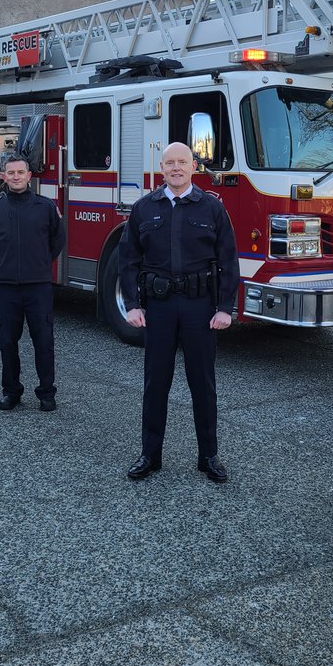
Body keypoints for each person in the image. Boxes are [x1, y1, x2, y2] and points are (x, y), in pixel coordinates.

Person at [118, 142, 239, 483]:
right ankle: (150, 456)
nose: (176, 168)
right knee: (156, 383)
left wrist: (225, 309)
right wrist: (132, 304)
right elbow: (128, 261)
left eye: (182, 162)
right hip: (158, 309)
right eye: (169, 163)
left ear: (193, 167)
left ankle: (208, 456)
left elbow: (229, 260)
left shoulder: (211, 209)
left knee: (202, 384)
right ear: (161, 167)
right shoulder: (144, 208)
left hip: (200, 309)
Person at [0, 154, 66, 412]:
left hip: (37, 286)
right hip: (5, 287)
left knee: (43, 341)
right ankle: (11, 391)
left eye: (21, 172)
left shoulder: (45, 207)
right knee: (7, 341)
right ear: (4, 176)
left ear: (30, 176)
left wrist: (39, 264)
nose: (16, 177)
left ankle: (46, 393)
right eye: (11, 173)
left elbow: (57, 241)